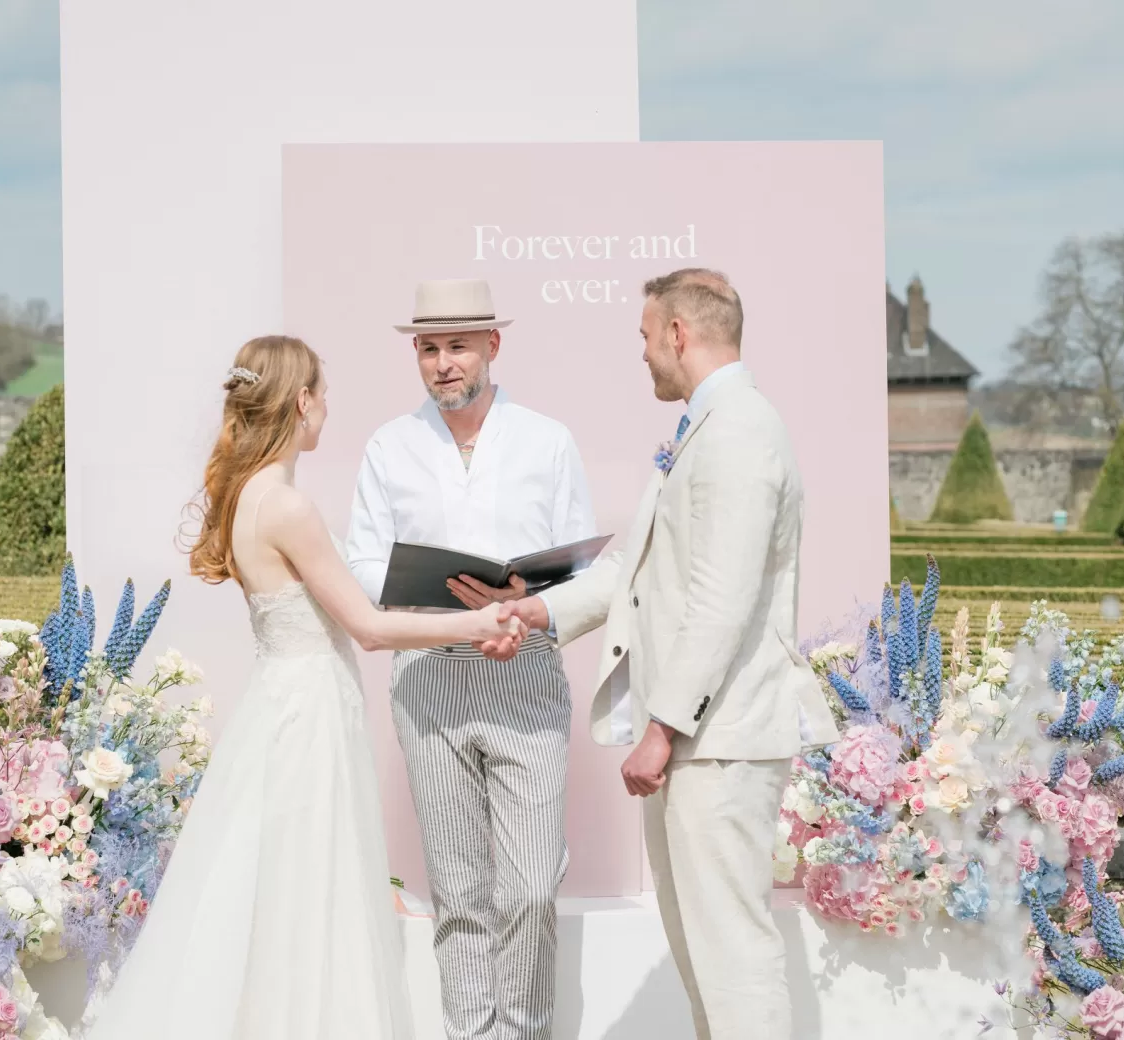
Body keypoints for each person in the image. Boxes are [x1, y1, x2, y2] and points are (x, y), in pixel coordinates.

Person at [87, 335, 525, 1040]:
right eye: (324, 394)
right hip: (310, 713)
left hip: (279, 705)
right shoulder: (287, 506)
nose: (329, 409)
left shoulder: (244, 497)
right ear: (302, 401)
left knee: (273, 895)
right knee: (311, 895)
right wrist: (478, 622)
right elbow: (369, 628)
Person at [482, 270, 840, 1040]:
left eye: (646, 338)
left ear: (678, 333)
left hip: (721, 741)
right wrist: (536, 609)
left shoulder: (741, 430)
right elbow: (637, 570)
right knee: (700, 957)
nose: (643, 355)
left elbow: (723, 595)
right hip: (700, 742)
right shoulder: (708, 426)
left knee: (734, 958)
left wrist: (663, 727)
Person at [345, 278, 595, 1040]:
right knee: (457, 895)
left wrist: (522, 604)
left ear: (493, 345)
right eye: (429, 348)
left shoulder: (548, 440)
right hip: (427, 684)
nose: (443, 363)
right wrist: (438, 605)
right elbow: (360, 565)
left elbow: (582, 569)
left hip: (525, 677)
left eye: (457, 345)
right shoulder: (389, 446)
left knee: (527, 892)